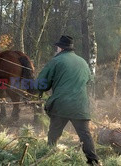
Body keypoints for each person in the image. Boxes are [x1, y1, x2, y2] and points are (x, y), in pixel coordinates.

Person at [37, 35, 100, 165]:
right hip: (80, 106)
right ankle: (94, 161)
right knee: (85, 135)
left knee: (54, 133)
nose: (56, 50)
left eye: (57, 47)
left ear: (60, 48)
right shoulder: (82, 62)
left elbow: (42, 84)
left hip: (61, 105)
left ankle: (49, 159)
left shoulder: (56, 61)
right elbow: (89, 80)